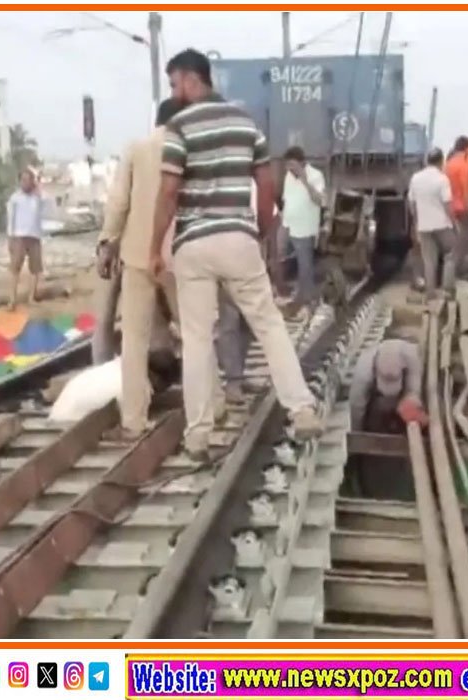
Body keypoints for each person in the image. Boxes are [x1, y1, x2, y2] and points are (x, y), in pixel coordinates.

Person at [149, 48, 323, 462]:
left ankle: (199, 434)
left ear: (192, 79)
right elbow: (266, 187)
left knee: (196, 338)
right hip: (238, 239)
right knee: (268, 323)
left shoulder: (177, 126)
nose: (175, 93)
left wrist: (155, 246)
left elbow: (169, 192)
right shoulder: (247, 124)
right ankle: (300, 409)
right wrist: (260, 232)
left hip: (193, 244)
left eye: (175, 84)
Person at [96, 98, 185, 440]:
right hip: (179, 256)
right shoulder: (187, 152)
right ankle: (207, 409)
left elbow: (119, 201)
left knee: (134, 340)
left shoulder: (136, 148)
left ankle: (133, 420)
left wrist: (108, 242)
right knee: (196, 336)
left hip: (137, 257)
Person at [347, 338, 428, 500]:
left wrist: (410, 403)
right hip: (374, 412)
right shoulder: (363, 372)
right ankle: (369, 486)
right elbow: (357, 409)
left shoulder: (412, 358)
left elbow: (414, 390)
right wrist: (357, 439)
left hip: (401, 409)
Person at [280, 146, 325, 310]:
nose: (290, 169)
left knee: (305, 264)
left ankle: (308, 299)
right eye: (288, 165)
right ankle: (293, 293)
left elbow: (320, 200)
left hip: (305, 227)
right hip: (288, 225)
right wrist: (283, 221)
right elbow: (287, 200)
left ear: (302, 163)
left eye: (293, 165)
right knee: (282, 258)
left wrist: (305, 180)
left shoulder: (316, 176)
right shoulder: (288, 177)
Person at [408, 147, 456, 298]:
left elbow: (411, 203)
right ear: (441, 161)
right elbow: (447, 204)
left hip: (424, 226)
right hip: (442, 224)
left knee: (429, 260)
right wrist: (454, 223)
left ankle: (430, 292)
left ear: (426, 161)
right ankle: (448, 289)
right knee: (450, 254)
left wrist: (416, 222)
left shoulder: (415, 178)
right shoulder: (442, 179)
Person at [6, 168, 45, 309]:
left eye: (29, 180)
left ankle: (31, 298)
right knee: (15, 268)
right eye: (23, 180)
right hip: (18, 236)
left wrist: (37, 182)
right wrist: (10, 237)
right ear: (19, 181)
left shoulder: (37, 197)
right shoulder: (14, 198)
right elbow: (11, 219)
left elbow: (44, 199)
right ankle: (12, 299)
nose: (26, 182)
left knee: (35, 269)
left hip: (34, 236)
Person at [443, 136, 468, 280]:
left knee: (455, 239)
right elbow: (467, 190)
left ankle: (453, 269)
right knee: (465, 240)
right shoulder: (464, 165)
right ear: (467, 148)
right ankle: (460, 269)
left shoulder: (448, 165)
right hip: (462, 207)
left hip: (450, 207)